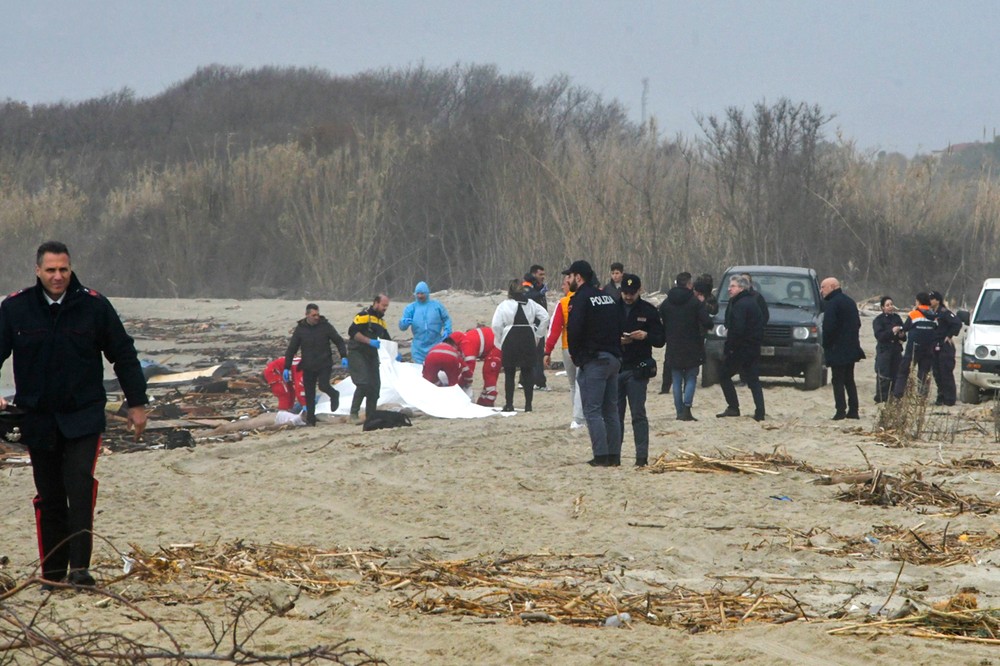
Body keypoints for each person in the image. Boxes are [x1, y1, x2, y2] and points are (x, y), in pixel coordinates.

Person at [0, 241, 148, 590]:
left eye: (63, 269)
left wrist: (137, 404)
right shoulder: (16, 308)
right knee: (50, 495)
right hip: (37, 417)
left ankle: (80, 570)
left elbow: (123, 354)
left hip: (83, 415)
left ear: (70, 269)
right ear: (38, 271)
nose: (57, 276)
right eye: (50, 270)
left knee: (79, 485)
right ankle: (52, 574)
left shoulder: (94, 306)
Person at [565, 260, 624, 466]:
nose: (568, 280)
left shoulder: (580, 299)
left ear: (578, 277)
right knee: (611, 410)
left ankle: (601, 456)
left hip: (594, 360)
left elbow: (574, 330)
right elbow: (619, 325)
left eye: (570, 276)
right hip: (613, 358)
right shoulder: (607, 297)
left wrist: (576, 357)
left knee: (592, 410)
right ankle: (614, 456)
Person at [616, 274, 665, 467]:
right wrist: (617, 340)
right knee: (615, 416)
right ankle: (614, 455)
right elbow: (600, 334)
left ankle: (641, 457)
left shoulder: (649, 310)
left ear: (640, 291)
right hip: (616, 368)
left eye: (632, 293)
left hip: (637, 369)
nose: (628, 297)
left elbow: (661, 339)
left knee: (638, 414)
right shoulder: (612, 308)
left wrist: (645, 335)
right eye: (625, 293)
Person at [659, 272, 713, 421]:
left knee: (676, 379)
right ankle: (687, 408)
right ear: (689, 284)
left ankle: (679, 411)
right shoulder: (695, 302)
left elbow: (661, 318)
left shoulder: (667, 302)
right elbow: (707, 322)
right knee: (691, 377)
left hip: (673, 344)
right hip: (692, 344)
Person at [283, 303, 347, 426]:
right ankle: (311, 420)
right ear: (307, 315)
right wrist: (286, 367)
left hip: (324, 363)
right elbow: (292, 349)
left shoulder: (325, 326)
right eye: (314, 315)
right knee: (309, 394)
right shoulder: (301, 329)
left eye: (318, 314)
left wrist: (343, 355)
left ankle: (334, 394)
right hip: (308, 365)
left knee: (323, 385)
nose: (317, 317)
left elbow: (338, 341)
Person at [492, 279, 549, 412]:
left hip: (510, 338)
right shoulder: (531, 304)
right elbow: (545, 317)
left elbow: (496, 325)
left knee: (509, 373)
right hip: (528, 337)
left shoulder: (504, 305)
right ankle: (528, 405)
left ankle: (509, 404)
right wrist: (538, 334)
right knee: (527, 372)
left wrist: (501, 339)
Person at [716, 275, 766, 421]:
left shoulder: (741, 304)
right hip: (752, 347)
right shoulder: (751, 301)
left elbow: (737, 329)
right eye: (729, 286)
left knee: (724, 375)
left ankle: (733, 407)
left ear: (742, 288)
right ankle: (760, 411)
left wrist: (730, 348)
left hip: (740, 349)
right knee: (753, 380)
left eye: (733, 286)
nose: (729, 289)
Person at [543, 273, 585, 429]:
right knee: (581, 383)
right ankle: (580, 417)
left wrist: (547, 351)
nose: (562, 287)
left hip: (568, 347)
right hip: (583, 348)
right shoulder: (584, 300)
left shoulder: (563, 303)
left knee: (573, 385)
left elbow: (554, 329)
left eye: (564, 284)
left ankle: (577, 417)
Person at [819, 277, 864, 420]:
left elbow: (828, 327)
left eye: (823, 287)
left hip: (837, 348)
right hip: (851, 347)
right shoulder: (850, 302)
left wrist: (826, 345)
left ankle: (840, 411)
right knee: (849, 379)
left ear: (832, 287)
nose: (821, 290)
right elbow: (858, 323)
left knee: (837, 380)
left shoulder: (832, 303)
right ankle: (854, 410)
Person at [348, 294, 393, 423]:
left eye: (387, 306)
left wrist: (394, 352)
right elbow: (352, 332)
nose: (385, 308)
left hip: (372, 356)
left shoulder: (381, 322)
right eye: (383, 305)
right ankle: (353, 414)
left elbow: (387, 340)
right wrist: (369, 341)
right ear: (376, 303)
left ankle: (370, 416)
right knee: (363, 383)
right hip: (358, 352)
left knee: (375, 386)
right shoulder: (363, 316)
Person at [891, 292, 937, 399]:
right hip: (928, 348)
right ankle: (922, 397)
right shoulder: (934, 316)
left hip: (913, 348)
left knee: (904, 370)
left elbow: (905, 327)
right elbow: (936, 329)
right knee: (924, 373)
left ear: (918, 301)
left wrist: (899, 329)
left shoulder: (914, 314)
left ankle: (898, 394)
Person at [399, 281, 451, 364]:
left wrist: (447, 330)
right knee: (419, 370)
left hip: (436, 344)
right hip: (418, 348)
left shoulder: (437, 306)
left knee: (435, 368)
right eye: (418, 293)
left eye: (422, 293)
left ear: (427, 293)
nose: (420, 296)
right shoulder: (411, 308)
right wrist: (403, 323)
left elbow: (446, 319)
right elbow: (402, 327)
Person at [929, 291, 962, 406]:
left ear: (937, 300)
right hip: (935, 345)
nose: (930, 301)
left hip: (944, 346)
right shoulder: (933, 313)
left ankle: (950, 398)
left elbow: (957, 323)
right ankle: (941, 396)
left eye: (932, 299)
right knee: (937, 372)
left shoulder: (944, 312)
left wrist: (949, 335)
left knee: (945, 372)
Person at [456, 326, 503, 407]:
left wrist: (459, 385)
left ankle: (490, 397)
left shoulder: (467, 345)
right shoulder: (467, 341)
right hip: (496, 343)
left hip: (497, 345)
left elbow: (469, 371)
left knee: (489, 371)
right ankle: (484, 399)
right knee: (489, 371)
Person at [872, 296, 904, 403]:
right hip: (884, 350)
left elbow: (903, 334)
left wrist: (901, 334)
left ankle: (895, 397)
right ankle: (882, 398)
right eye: (887, 305)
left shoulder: (897, 318)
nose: (890, 307)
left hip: (896, 350)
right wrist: (892, 331)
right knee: (883, 375)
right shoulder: (878, 320)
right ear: (882, 307)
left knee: (897, 374)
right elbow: (879, 336)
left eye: (891, 304)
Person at [522, 265, 549, 390]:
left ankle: (524, 380)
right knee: (537, 353)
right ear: (533, 274)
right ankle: (539, 382)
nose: (543, 277)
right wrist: (539, 293)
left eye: (544, 274)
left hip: (540, 323)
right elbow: (527, 297)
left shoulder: (538, 287)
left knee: (531, 353)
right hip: (532, 325)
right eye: (540, 274)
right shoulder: (526, 285)